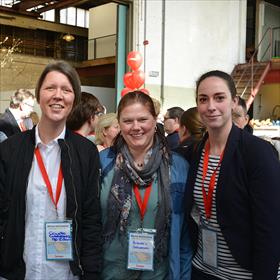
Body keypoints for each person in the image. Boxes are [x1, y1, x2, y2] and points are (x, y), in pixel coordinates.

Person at [0, 61, 103, 279]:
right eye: (50, 88)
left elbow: (91, 220)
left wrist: (91, 272)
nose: (58, 95)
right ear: (38, 96)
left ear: (73, 98)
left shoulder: (86, 153)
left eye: (66, 89)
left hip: (66, 273)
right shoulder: (10, 149)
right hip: (20, 272)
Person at [184, 70, 280, 280]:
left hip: (243, 273)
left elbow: (270, 229)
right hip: (202, 268)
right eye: (203, 99)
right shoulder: (196, 151)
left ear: (234, 101)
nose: (211, 106)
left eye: (219, 97)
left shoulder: (257, 153)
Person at [99, 91, 192, 280]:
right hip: (110, 273)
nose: (136, 127)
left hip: (159, 274)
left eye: (142, 119)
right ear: (119, 123)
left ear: (154, 120)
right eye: (127, 121)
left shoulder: (178, 167)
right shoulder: (102, 163)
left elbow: (185, 237)